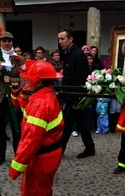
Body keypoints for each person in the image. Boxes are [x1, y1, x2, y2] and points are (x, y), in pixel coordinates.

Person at [8, 60, 64, 196]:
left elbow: (31, 140)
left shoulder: (40, 103)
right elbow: (25, 108)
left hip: (41, 158)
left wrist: (15, 167)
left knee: (36, 191)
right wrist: (17, 94)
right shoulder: (42, 95)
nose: (24, 83)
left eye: (27, 79)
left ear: (38, 83)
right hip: (46, 155)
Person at [58, 28, 95, 158]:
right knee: (82, 123)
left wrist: (76, 100)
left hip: (74, 97)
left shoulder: (78, 55)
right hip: (70, 95)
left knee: (67, 124)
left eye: (62, 39)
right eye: (59, 39)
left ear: (71, 39)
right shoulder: (68, 53)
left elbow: (81, 79)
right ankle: (90, 148)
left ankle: (59, 150)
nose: (60, 41)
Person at [0, 30, 24, 165]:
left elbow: (25, 78)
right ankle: (0, 155)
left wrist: (11, 79)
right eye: (4, 41)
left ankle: (18, 155)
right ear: (1, 42)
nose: (7, 43)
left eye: (9, 41)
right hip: (1, 97)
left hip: (15, 96)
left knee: (16, 127)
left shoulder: (19, 59)